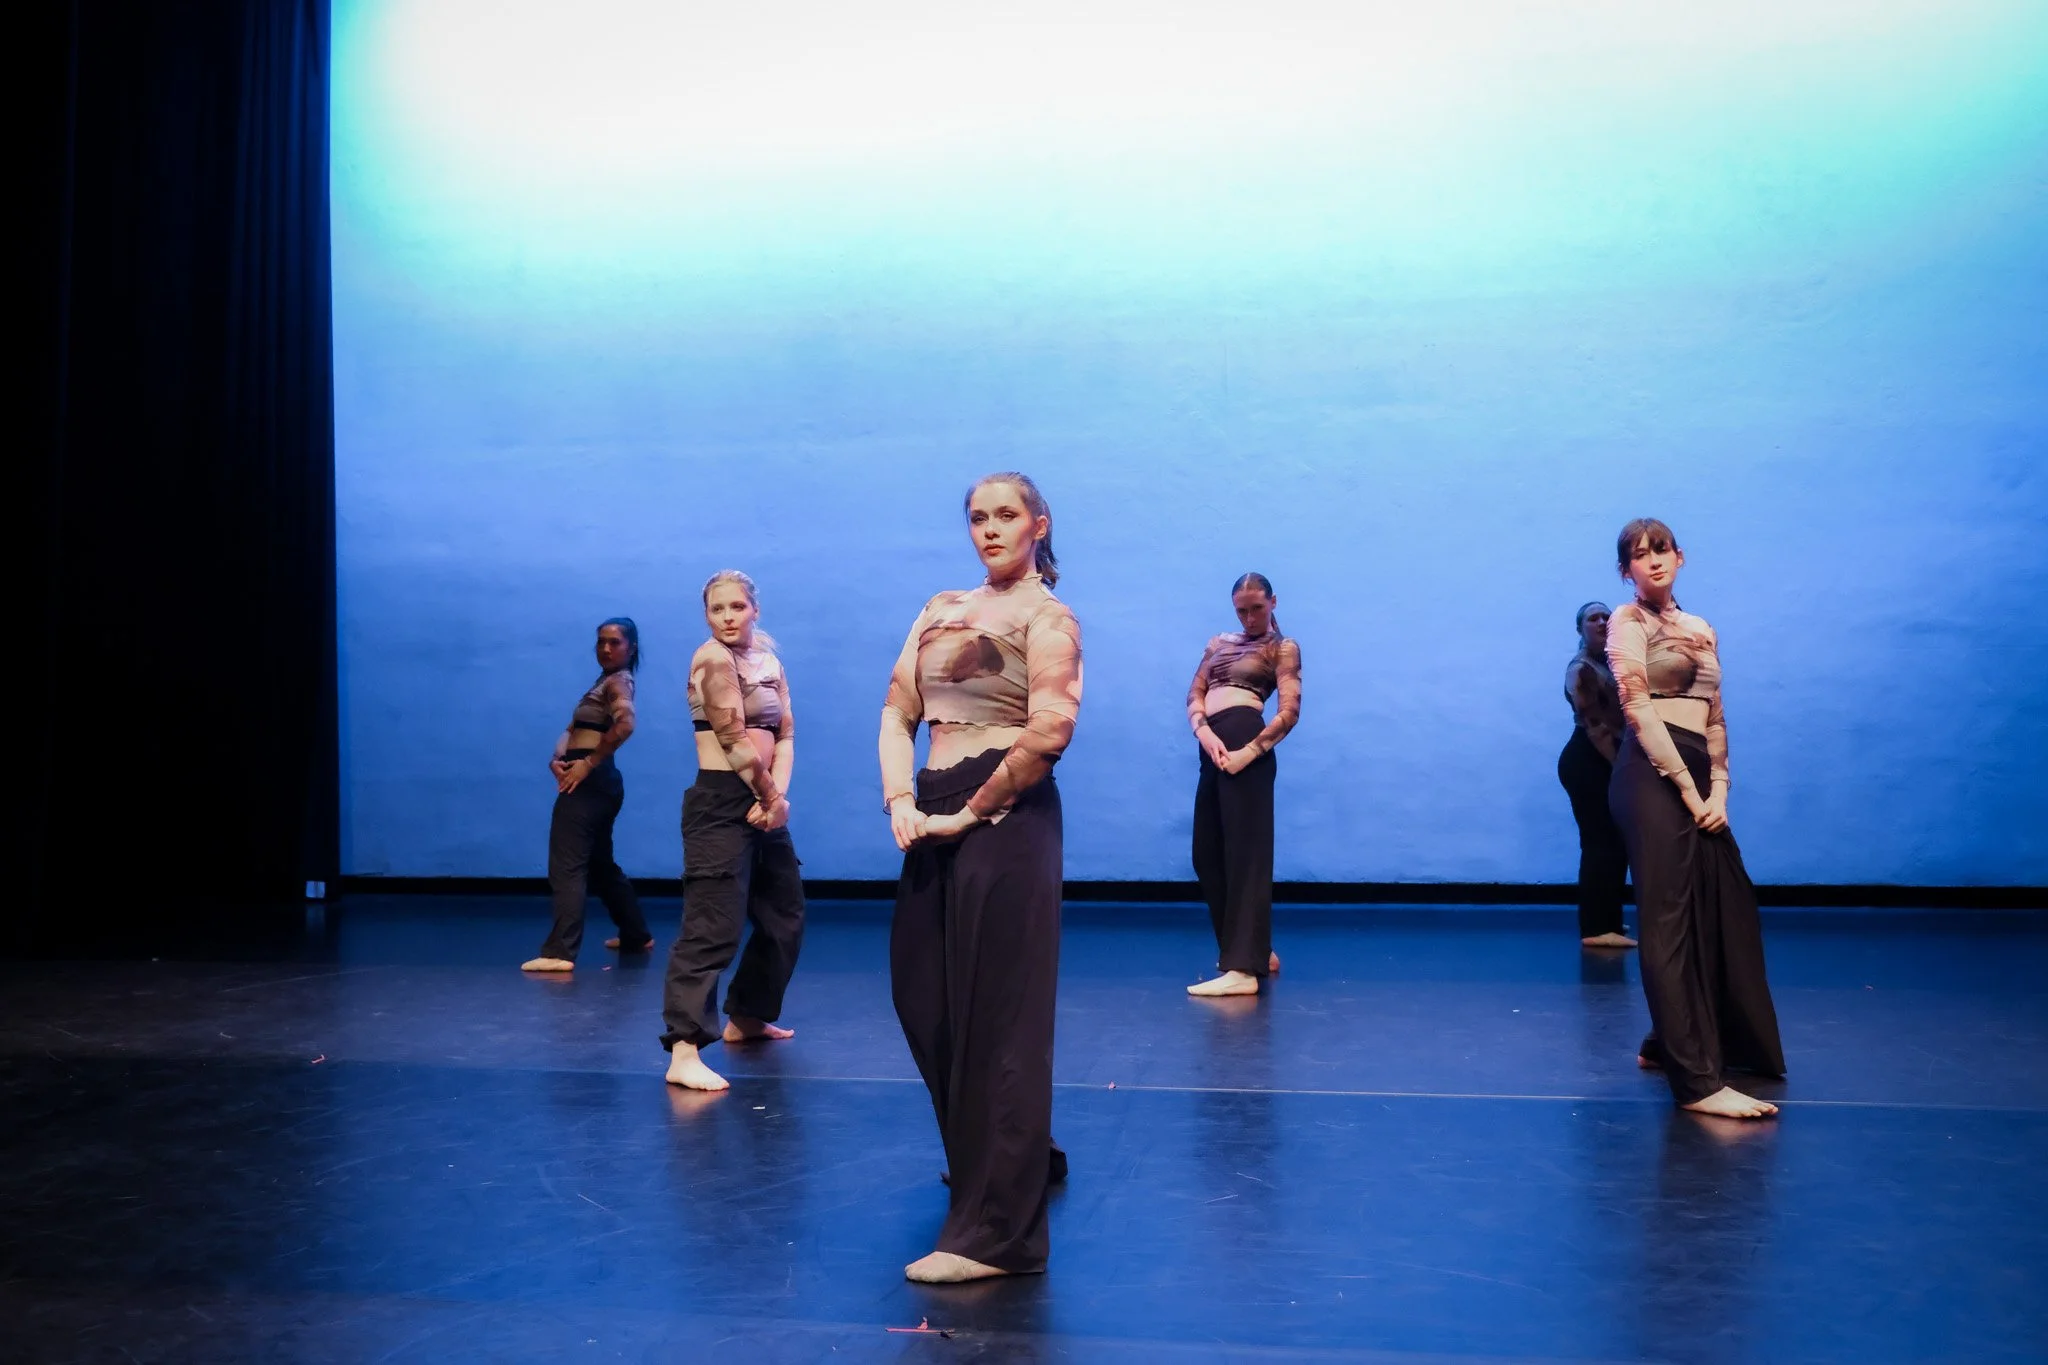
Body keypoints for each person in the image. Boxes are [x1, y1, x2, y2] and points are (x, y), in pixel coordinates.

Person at [880, 472, 1083, 1283]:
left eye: (1006, 515)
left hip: (1005, 816)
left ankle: (1000, 1234)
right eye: (977, 517)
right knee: (925, 998)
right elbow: (897, 709)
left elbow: (1051, 729)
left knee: (1001, 1018)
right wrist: (902, 797)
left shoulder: (1047, 616)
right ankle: (996, 1162)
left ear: (1039, 525)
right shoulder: (940, 607)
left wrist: (972, 811)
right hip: (933, 807)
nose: (990, 529)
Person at [1606, 519, 1785, 1119]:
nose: (1653, 560)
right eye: (1639, 555)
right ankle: (1697, 1083)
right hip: (1649, 773)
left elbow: (1715, 713)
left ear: (1680, 557)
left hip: (1700, 772)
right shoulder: (1628, 621)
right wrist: (1687, 788)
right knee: (1670, 921)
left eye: (1661, 550)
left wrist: (1720, 791)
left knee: (1724, 904)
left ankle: (1665, 1043)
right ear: (1627, 571)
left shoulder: (1700, 628)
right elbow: (1636, 707)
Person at [660, 572, 805, 1092]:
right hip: (720, 802)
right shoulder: (711, 658)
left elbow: (784, 734)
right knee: (712, 926)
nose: (727, 616)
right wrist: (770, 798)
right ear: (706, 615)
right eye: (716, 608)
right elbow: (733, 737)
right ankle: (684, 1050)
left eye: (737, 607)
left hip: (766, 801)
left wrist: (776, 798)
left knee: (783, 913)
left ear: (754, 610)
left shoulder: (769, 663)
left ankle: (747, 1016)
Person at [1186, 573, 1301, 997]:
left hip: (1246, 744)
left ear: (1273, 602)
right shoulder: (1219, 643)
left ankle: (1243, 970)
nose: (1250, 618)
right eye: (1242, 611)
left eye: (1257, 608)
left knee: (1246, 856)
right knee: (1206, 854)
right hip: (1213, 747)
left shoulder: (1281, 647)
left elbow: (1289, 711)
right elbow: (1195, 694)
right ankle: (1256, 950)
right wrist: (1205, 734)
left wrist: (1249, 752)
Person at [523, 619, 653, 972]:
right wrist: (557, 759)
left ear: (631, 648)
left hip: (590, 782)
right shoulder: (602, 683)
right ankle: (636, 933)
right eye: (600, 642)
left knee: (566, 865)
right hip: (597, 781)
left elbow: (626, 724)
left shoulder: (619, 682)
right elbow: (574, 729)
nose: (606, 648)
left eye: (614, 642)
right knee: (600, 865)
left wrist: (588, 763)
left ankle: (559, 952)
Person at [1560, 601, 1635, 948]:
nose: (1603, 622)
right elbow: (1596, 728)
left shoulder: (1608, 663)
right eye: (1594, 618)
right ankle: (1595, 928)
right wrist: (1621, 768)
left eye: (1607, 617)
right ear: (1581, 629)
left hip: (1605, 760)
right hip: (1588, 761)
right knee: (1599, 842)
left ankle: (1609, 921)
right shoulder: (1582, 669)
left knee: (1615, 841)